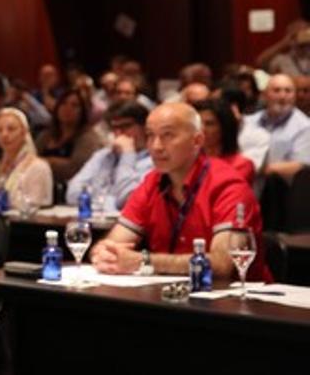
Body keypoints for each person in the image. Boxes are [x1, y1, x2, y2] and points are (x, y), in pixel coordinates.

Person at [90, 103, 270, 281]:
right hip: (170, 296)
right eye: (150, 136)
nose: (156, 146)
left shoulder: (228, 185)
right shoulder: (152, 182)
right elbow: (114, 243)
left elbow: (222, 265)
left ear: (197, 141)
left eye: (168, 135)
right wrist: (105, 254)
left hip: (234, 302)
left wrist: (143, 260)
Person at [64, 102, 153, 209]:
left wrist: (128, 155)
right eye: (115, 127)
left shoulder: (154, 161)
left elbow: (129, 200)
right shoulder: (102, 155)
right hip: (97, 221)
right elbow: (72, 193)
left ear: (144, 127)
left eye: (126, 126)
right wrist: (110, 202)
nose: (119, 133)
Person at [239, 73, 310, 183]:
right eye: (276, 90)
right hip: (246, 183)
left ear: (294, 96)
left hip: (282, 192)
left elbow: (301, 166)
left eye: (288, 91)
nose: (282, 96)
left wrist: (256, 169)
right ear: (264, 95)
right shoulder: (249, 121)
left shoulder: (305, 126)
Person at [0, 108, 53, 210]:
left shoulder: (38, 167)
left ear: (24, 133)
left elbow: (35, 208)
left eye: (11, 129)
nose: (4, 135)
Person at [35, 89, 104, 182]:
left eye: (74, 105)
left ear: (83, 111)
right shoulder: (46, 135)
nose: (67, 108)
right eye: (63, 103)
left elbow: (76, 168)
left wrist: (44, 161)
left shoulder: (88, 138)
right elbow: (29, 160)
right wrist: (56, 161)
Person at [192, 98, 254, 184]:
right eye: (198, 124)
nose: (202, 129)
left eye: (209, 124)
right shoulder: (188, 161)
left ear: (225, 127)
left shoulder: (241, 165)